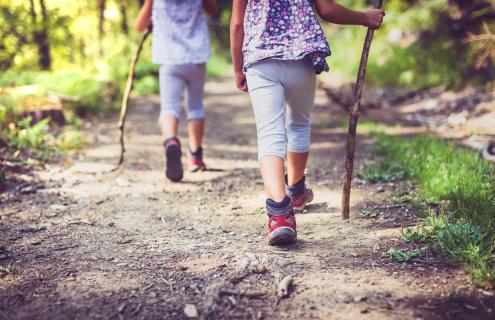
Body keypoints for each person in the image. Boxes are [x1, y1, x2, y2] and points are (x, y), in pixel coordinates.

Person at [230, 0, 384, 245]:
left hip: (260, 60)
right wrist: (365, 17)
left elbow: (238, 24)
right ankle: (297, 190)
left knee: (270, 134)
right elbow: (327, 10)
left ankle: (279, 214)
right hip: (299, 57)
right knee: (299, 124)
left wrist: (238, 68)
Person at [134, 0, 217, 182]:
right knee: (195, 106)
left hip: (169, 59)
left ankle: (171, 140)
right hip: (196, 58)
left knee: (169, 107)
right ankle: (195, 157)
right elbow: (213, 10)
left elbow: (139, 26)